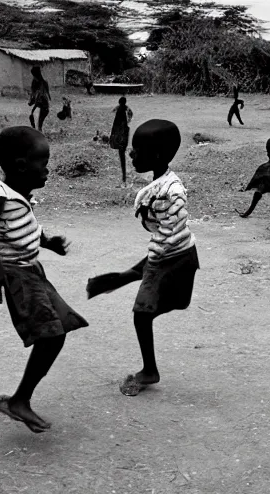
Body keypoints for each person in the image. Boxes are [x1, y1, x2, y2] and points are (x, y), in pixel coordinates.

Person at [0, 126, 88, 433]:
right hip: (16, 274)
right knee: (52, 335)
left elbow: (22, 229)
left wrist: (48, 242)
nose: (48, 168)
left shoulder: (19, 197)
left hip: (30, 269)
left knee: (60, 327)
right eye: (43, 161)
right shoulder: (1, 196)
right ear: (22, 166)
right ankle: (19, 401)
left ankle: (19, 399)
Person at [85, 120, 199, 397]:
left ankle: (150, 371)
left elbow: (168, 237)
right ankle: (150, 368)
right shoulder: (160, 186)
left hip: (175, 258)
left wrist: (145, 270)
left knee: (142, 313)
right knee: (145, 312)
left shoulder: (171, 192)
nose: (132, 154)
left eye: (137, 150)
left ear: (157, 156)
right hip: (173, 255)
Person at [109, 96, 134, 185]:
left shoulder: (119, 109)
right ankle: (124, 175)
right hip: (123, 136)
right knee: (122, 154)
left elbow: (115, 123)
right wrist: (129, 121)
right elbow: (131, 115)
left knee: (121, 155)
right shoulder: (125, 109)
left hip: (119, 136)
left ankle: (124, 175)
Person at [27, 66, 51, 132]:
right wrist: (31, 100)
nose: (33, 77)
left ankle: (39, 133)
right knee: (34, 120)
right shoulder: (34, 82)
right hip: (38, 104)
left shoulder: (43, 83)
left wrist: (34, 101)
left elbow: (47, 96)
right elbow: (32, 93)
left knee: (39, 123)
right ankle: (37, 132)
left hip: (43, 105)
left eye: (34, 75)